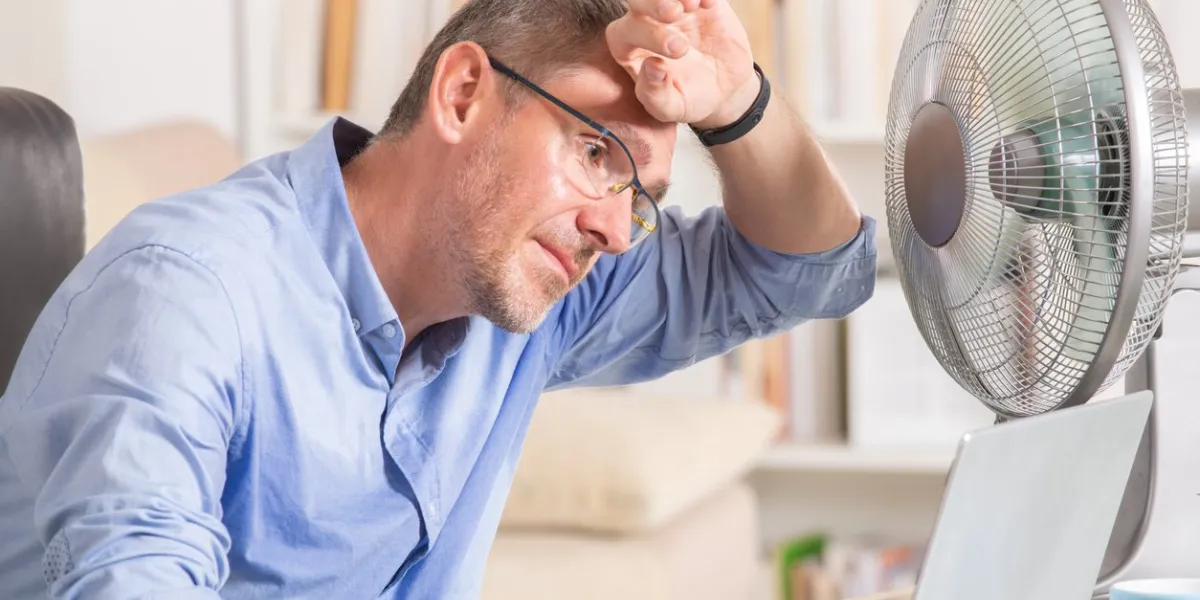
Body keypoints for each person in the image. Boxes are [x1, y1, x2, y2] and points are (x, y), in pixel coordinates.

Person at [0, 0, 876, 597]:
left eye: (638, 196)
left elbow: (808, 271)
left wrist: (739, 103)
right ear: (463, 94)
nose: (615, 230)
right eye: (598, 154)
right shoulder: (185, 294)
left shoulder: (521, 296)